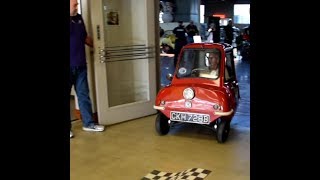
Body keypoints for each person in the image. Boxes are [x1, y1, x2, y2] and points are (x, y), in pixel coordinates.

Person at [70, 0, 105, 138]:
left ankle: (89, 124)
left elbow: (84, 37)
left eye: (77, 4)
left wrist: (97, 46)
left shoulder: (78, 18)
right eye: (74, 4)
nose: (77, 6)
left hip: (80, 65)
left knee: (84, 95)